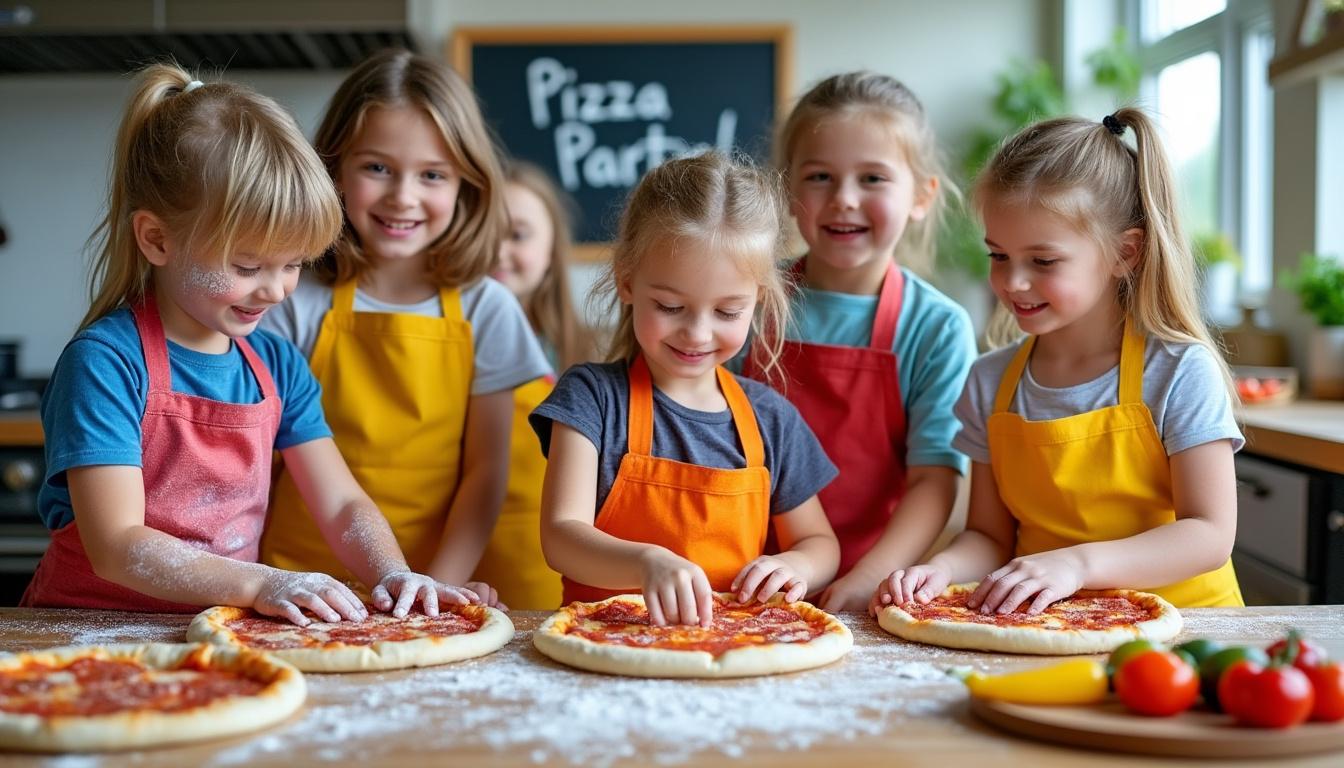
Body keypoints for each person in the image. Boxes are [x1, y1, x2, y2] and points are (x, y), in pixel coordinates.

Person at [23, 63, 483, 623]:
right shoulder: (106, 364)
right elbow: (118, 544)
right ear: (156, 239)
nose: (275, 289)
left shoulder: (277, 364)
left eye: (293, 264)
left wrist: (390, 571)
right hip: (85, 632)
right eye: (246, 265)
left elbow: (340, 504)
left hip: (212, 628)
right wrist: (263, 582)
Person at [874, 108, 1244, 615]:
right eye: (998, 256)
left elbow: (1210, 534)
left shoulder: (1179, 370)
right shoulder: (990, 382)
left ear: (1124, 254)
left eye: (1043, 261)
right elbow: (988, 536)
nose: (1012, 281)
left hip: (1189, 632)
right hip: (1052, 629)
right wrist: (940, 568)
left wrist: (1076, 565)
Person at [259, 50, 550, 605]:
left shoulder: (487, 308)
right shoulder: (293, 299)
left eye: (432, 175)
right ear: (334, 166)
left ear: (466, 183)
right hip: (300, 585)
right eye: (377, 168)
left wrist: (434, 585)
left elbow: (485, 475)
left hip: (431, 582)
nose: (403, 196)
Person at [531, 151, 841, 627]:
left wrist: (797, 565)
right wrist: (645, 562)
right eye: (671, 307)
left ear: (757, 299)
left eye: (726, 312)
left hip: (735, 648)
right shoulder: (591, 398)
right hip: (603, 644)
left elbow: (819, 544)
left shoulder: (770, 419)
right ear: (627, 281)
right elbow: (561, 535)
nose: (697, 333)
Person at [744, 72, 977, 611]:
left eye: (872, 178)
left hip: (871, 586)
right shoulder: (746, 299)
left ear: (921, 196)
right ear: (788, 190)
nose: (844, 199)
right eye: (820, 176)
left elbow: (933, 480)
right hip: (740, 577)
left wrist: (870, 578)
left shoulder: (936, 327)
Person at [474, 160, 595, 609]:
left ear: (550, 254)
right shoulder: (446, 345)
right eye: (484, 233)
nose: (498, 251)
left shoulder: (585, 354)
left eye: (518, 234)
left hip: (547, 577)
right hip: (454, 571)